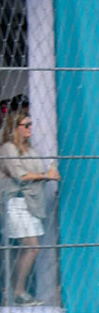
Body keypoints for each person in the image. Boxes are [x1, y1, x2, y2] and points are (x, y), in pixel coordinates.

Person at [0, 110, 56, 301]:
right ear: (15, 128)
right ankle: (17, 291)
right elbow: (19, 175)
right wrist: (45, 176)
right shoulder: (8, 148)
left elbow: (38, 172)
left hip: (31, 202)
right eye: (26, 125)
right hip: (16, 201)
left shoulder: (30, 150)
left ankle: (15, 289)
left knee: (27, 248)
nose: (30, 129)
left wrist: (47, 173)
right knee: (31, 246)